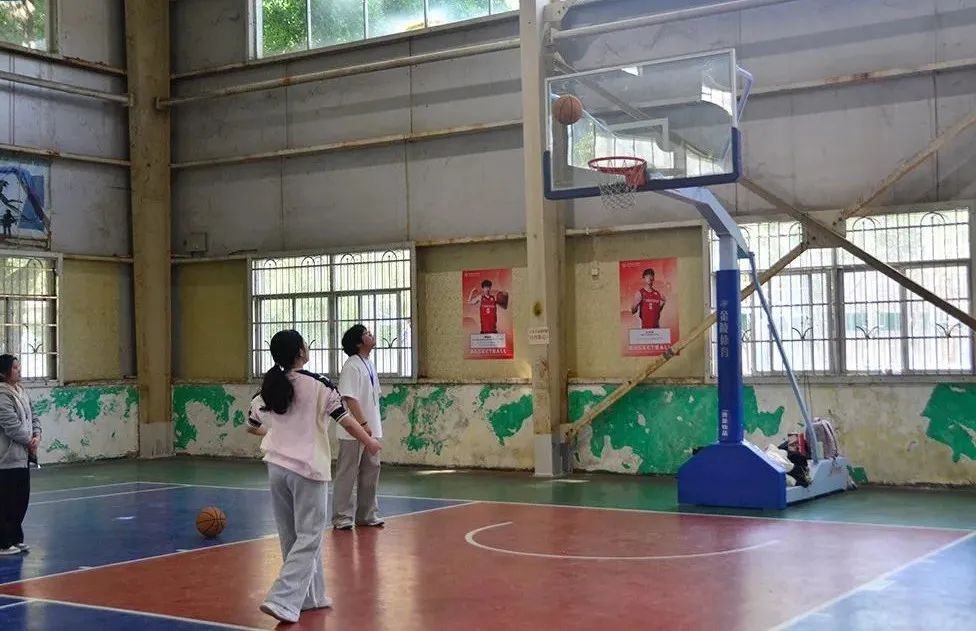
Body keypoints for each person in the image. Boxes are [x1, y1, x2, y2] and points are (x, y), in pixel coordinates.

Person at [246, 330, 380, 624]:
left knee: (290, 535)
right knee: (309, 536)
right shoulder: (319, 385)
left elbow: (253, 423)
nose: (308, 347)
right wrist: (369, 442)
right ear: (300, 352)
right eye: (305, 344)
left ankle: (312, 597)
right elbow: (346, 420)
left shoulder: (269, 386)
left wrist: (277, 434)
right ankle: (282, 599)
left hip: (276, 467)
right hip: (308, 468)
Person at [332, 324, 384, 530]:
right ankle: (342, 517)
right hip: (353, 431)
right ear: (358, 343)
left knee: (371, 471)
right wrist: (363, 424)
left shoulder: (368, 364)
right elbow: (350, 398)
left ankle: (367, 515)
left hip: (372, 428)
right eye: (366, 333)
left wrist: (372, 426)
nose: (371, 334)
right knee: (348, 473)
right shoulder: (351, 366)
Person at [0, 354, 41, 555]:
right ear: (4, 372)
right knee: (6, 502)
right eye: (15, 368)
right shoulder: (2, 395)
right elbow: (11, 425)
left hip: (23, 458)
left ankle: (16, 538)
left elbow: (34, 416)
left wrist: (37, 435)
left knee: (20, 501)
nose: (19, 370)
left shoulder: (21, 391)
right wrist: (29, 441)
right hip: (6, 459)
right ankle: (3, 542)